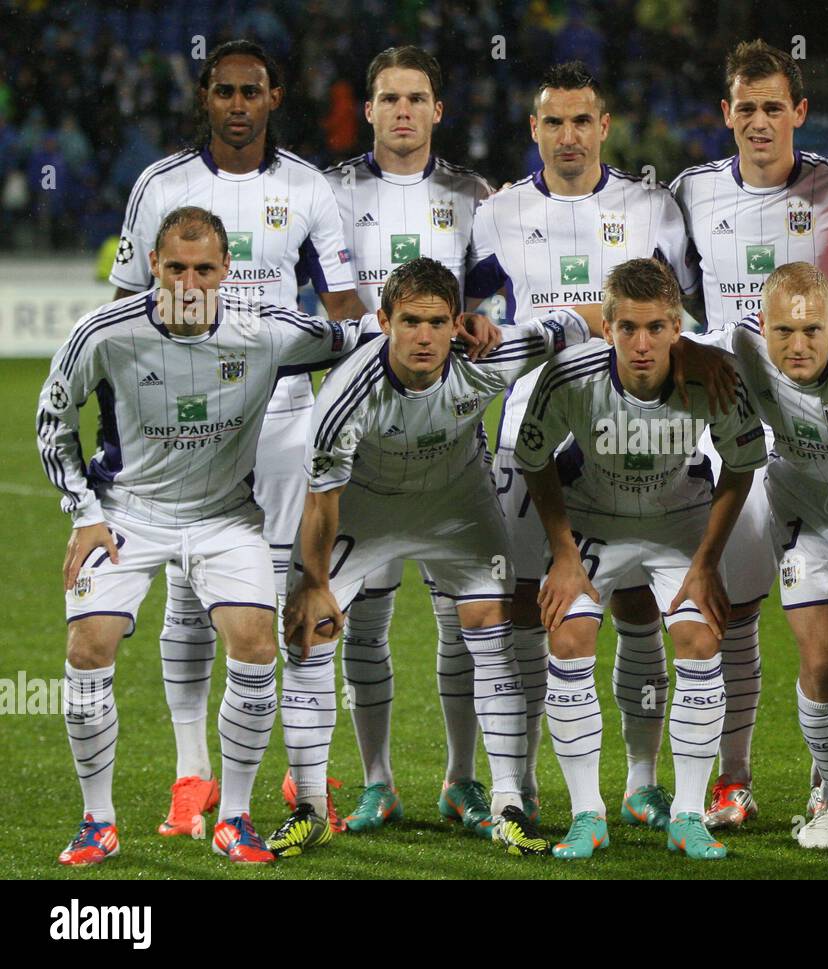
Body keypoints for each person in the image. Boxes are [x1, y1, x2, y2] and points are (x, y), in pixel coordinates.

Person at [41, 206, 377, 866]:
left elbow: (357, 334)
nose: (189, 281)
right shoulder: (104, 333)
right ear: (152, 269)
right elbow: (54, 417)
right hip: (127, 514)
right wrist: (82, 511)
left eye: (203, 268)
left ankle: (236, 817)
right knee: (88, 646)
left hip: (224, 516)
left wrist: (439, 324)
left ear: (227, 271)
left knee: (255, 641)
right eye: (174, 268)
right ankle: (97, 820)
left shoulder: (266, 331)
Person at [107, 40, 368, 838]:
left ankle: (304, 764)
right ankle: (193, 776)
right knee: (189, 593)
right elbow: (121, 323)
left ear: (274, 95)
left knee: (299, 586)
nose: (237, 104)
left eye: (251, 91)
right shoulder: (160, 186)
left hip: (284, 417)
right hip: (186, 423)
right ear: (205, 96)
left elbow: (348, 309)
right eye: (224, 91)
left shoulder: (308, 188)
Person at [274, 257, 594, 858]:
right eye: (411, 322)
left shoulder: (490, 354)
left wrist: (685, 345)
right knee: (307, 630)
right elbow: (320, 505)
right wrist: (314, 583)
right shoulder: (346, 394)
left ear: (458, 323)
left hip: (459, 507)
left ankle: (507, 804)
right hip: (366, 511)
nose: (424, 337)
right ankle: (310, 805)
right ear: (383, 321)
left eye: (438, 322)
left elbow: (587, 320)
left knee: (487, 629)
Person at [464, 61, 696, 832]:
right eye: (552, 122)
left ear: (603, 127)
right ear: (534, 130)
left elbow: (676, 315)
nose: (568, 136)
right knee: (525, 607)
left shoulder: (652, 207)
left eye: (581, 121)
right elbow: (479, 326)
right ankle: (516, 784)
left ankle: (639, 779)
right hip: (525, 431)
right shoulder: (496, 213)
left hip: (628, 430)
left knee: (633, 599)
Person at [670, 40, 828, 828]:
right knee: (733, 607)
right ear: (726, 113)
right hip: (727, 431)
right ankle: (735, 779)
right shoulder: (689, 192)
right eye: (744, 107)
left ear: (800, 111)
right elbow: (683, 302)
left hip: (822, 429)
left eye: (773, 106)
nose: (759, 121)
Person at [515, 259, 766, 860]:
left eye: (655, 327)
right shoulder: (568, 377)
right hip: (594, 522)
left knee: (702, 642)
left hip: (678, 525)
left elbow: (742, 463)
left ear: (677, 326)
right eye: (627, 327)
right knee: (569, 637)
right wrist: (563, 553)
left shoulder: (713, 378)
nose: (641, 343)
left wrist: (706, 560)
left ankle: (687, 814)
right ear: (606, 325)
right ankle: (586, 816)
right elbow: (533, 459)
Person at [685, 262, 828, 864]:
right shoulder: (738, 343)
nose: (798, 346)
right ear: (760, 324)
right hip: (803, 516)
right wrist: (696, 353)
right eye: (784, 332)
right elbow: (668, 343)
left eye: (813, 330)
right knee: (821, 663)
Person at [318, 45, 494, 835]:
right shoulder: (333, 190)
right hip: (361, 426)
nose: (402, 111)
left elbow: (491, 300)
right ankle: (378, 781)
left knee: (465, 613)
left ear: (436, 111)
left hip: (448, 423)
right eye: (388, 97)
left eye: (416, 98)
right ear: (371, 108)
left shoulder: (472, 195)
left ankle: (462, 779)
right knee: (366, 616)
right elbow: (317, 296)